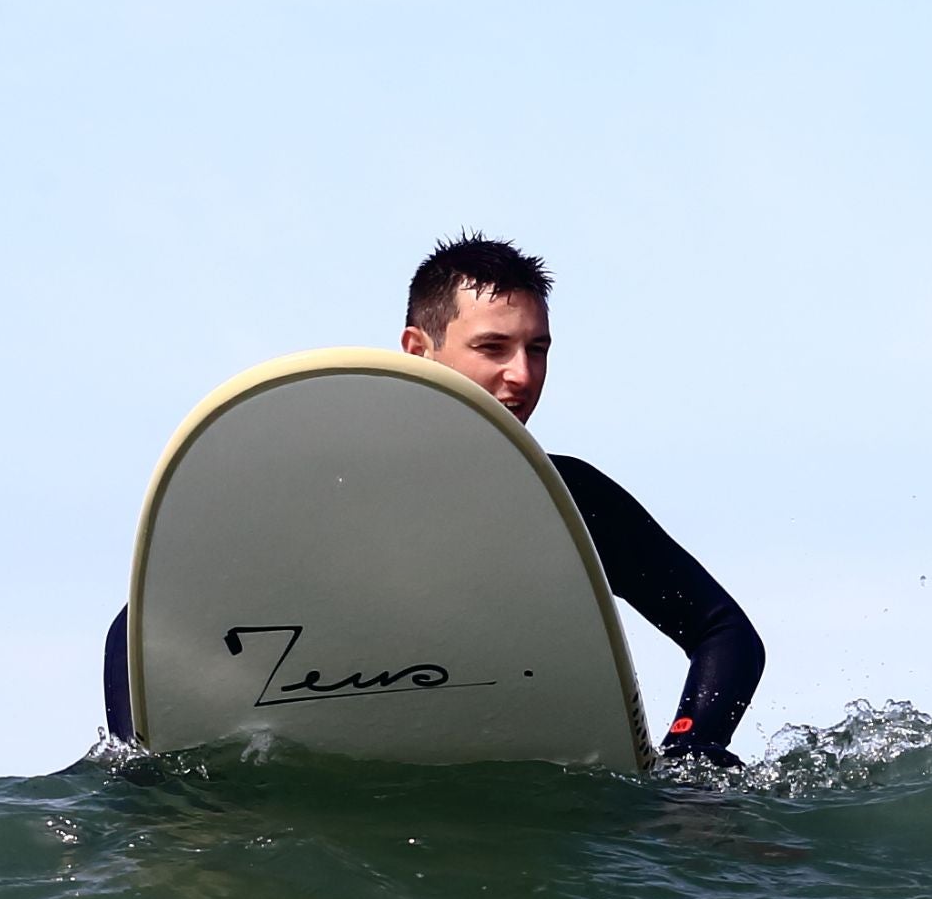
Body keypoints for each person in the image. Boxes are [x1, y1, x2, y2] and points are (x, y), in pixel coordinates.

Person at [103, 235, 765, 764]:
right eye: (492, 347)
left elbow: (725, 634)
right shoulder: (325, 493)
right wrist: (144, 767)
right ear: (418, 350)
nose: (523, 375)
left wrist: (691, 750)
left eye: (538, 350)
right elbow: (138, 629)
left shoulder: (566, 498)